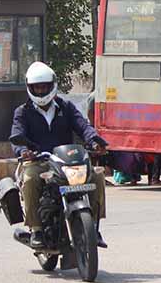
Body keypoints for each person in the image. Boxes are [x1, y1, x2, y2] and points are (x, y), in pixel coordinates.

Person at [10, 62, 109, 250]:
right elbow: (17, 136)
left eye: (44, 86)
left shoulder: (66, 107)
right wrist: (23, 151)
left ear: (52, 85)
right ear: (30, 88)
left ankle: (94, 227)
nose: (41, 90)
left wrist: (94, 140)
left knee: (97, 175)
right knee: (30, 178)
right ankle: (37, 229)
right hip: (40, 161)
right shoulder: (22, 112)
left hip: (67, 161)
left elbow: (83, 126)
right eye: (37, 87)